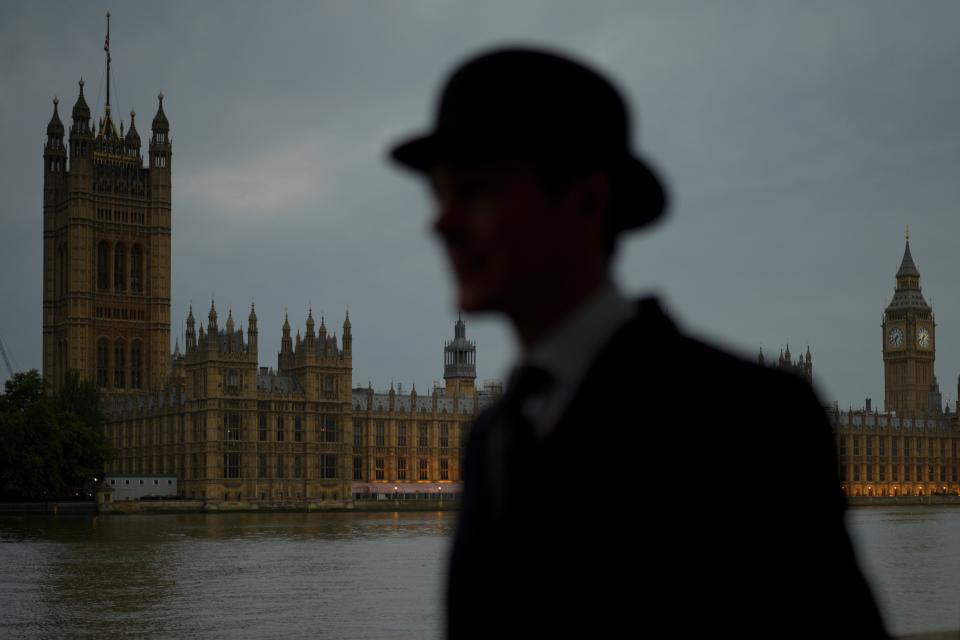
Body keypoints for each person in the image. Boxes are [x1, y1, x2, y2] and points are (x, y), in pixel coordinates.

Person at [389, 47, 888, 639]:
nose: (441, 223)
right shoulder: (492, 436)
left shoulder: (752, 417)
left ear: (587, 201)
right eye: (439, 194)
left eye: (475, 190)